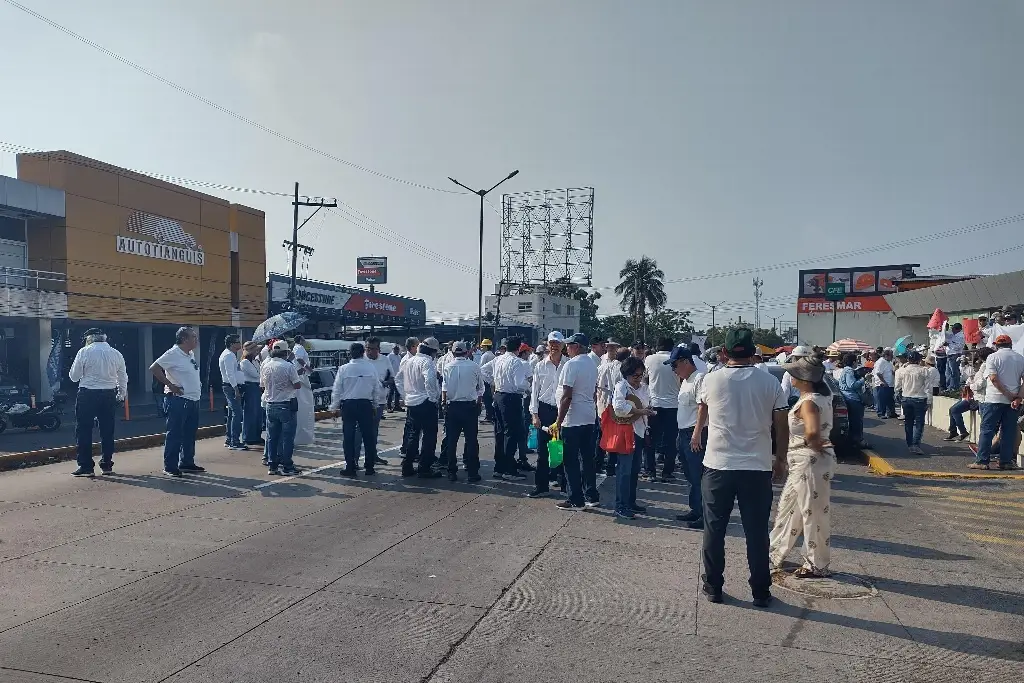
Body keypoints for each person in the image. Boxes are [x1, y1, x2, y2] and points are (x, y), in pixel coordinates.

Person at [692, 328, 789, 608]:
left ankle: (713, 586)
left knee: (714, 529)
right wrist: (780, 459)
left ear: (723, 353)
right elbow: (780, 426)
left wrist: (697, 433)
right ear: (754, 353)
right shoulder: (769, 383)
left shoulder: (711, 380)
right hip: (756, 467)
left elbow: (703, 409)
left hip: (717, 465)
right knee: (756, 532)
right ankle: (760, 591)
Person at [769, 356, 835, 578]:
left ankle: (816, 564)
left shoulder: (809, 402)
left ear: (803, 378)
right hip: (806, 462)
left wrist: (812, 441)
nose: (790, 376)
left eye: (793, 373)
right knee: (791, 508)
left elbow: (813, 431)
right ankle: (777, 551)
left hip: (809, 461)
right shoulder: (820, 397)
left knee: (812, 513)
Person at [68, 328, 128, 477]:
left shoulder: (84, 352)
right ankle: (107, 464)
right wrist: (121, 395)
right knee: (107, 431)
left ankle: (86, 466)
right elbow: (123, 377)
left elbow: (74, 377)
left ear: (89, 338)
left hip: (87, 393)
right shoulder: (116, 353)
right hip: (109, 393)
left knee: (83, 430)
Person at [554, 333, 600, 510]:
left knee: (570, 460)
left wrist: (558, 421)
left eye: (570, 345)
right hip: (588, 416)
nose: (567, 348)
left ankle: (575, 499)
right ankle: (591, 494)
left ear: (578, 346)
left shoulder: (572, 365)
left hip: (572, 418)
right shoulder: (591, 363)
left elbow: (567, 396)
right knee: (587, 458)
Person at [151, 327, 205, 477]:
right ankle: (170, 466)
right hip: (178, 400)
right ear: (184, 339)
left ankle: (187, 462)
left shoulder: (190, 354)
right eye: (193, 337)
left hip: (193, 399)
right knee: (175, 434)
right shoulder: (173, 353)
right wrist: (170, 385)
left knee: (189, 434)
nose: (196, 340)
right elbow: (154, 368)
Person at [330, 342, 384, 476]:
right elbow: (377, 389)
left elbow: (337, 390)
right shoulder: (370, 368)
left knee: (348, 437)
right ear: (363, 353)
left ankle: (350, 466)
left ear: (350, 354)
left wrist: (334, 407)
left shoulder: (343, 369)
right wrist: (375, 405)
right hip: (366, 405)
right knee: (368, 437)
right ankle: (369, 467)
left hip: (348, 405)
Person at [972, 334, 1024, 470]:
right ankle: (1005, 461)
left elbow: (994, 379)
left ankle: (982, 461)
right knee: (1008, 431)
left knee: (987, 430)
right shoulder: (1020, 358)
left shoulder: (992, 357)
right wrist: (1017, 397)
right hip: (1013, 401)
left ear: (996, 345)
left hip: (994, 399)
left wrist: (1007, 394)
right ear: (1010, 345)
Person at [611, 356, 654, 519]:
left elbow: (647, 403)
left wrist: (646, 410)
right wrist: (639, 411)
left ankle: (631, 502)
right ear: (627, 375)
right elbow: (619, 408)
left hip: (641, 431)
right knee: (624, 470)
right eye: (635, 375)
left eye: (640, 375)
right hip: (626, 433)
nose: (638, 378)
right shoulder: (622, 386)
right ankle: (621, 505)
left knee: (635, 470)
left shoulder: (643, 388)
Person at [668, 346, 705, 529]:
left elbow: (702, 407)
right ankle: (695, 509)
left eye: (675, 365)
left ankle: (704, 514)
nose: (673, 370)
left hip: (694, 433)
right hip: (683, 432)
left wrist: (697, 434)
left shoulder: (699, 378)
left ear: (685, 362)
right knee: (690, 474)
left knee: (699, 475)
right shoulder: (686, 380)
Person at [528, 331, 567, 498]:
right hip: (544, 410)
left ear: (563, 345)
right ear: (547, 345)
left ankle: (565, 485)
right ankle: (541, 486)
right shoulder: (540, 365)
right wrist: (534, 414)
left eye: (557, 343)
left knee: (562, 448)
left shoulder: (568, 364)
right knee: (543, 452)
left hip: (562, 410)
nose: (554, 346)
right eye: (551, 343)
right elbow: (534, 391)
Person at [400, 336, 443, 478]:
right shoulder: (427, 361)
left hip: (412, 402)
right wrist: (433, 398)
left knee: (413, 435)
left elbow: (398, 379)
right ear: (432, 351)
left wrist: (405, 395)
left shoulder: (409, 361)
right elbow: (430, 380)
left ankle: (407, 465)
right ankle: (424, 467)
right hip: (425, 402)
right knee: (429, 437)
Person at [441, 341, 485, 482]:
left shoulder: (447, 367)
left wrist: (444, 404)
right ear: (467, 352)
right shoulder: (474, 366)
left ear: (453, 353)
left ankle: (451, 471)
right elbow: (481, 388)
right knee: (471, 441)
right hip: (469, 407)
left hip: (453, 406)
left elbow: (444, 388)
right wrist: (479, 404)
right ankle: (472, 472)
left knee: (452, 441)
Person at [491, 336, 531, 481]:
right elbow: (519, 384)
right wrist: (529, 384)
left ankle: (499, 467)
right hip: (511, 398)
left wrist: (495, 382)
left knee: (500, 433)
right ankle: (509, 469)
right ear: (518, 348)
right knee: (511, 433)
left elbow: (484, 371)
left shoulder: (498, 359)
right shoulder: (516, 362)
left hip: (498, 395)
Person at [260, 339, 303, 476]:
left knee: (272, 437)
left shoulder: (265, 365)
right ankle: (287, 466)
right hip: (286, 404)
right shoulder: (288, 366)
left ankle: (272, 466)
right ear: (285, 352)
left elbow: (262, 386)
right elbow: (297, 385)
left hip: (270, 405)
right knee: (287, 437)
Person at [643, 337, 680, 482]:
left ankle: (650, 471)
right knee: (671, 441)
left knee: (650, 439)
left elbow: (645, 379)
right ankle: (667, 472)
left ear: (657, 346)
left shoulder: (650, 359)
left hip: (654, 404)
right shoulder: (676, 359)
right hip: (673, 405)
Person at [894, 351, 938, 455]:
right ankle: (915, 444)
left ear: (908, 360)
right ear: (919, 360)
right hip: (919, 398)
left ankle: (910, 444)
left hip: (906, 398)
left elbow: (897, 387)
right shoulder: (924, 371)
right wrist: (929, 401)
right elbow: (928, 388)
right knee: (919, 423)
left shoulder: (901, 371)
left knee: (908, 422)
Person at [946, 348, 992, 442]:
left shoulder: (985, 367)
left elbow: (980, 384)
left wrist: (970, 385)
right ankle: (955, 431)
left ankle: (962, 432)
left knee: (954, 410)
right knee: (952, 410)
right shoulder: (981, 367)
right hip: (974, 396)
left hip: (978, 398)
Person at [364, 337, 392, 466]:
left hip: (379, 401)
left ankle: (373, 455)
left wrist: (387, 382)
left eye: (373, 349)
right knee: (361, 431)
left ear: (379, 349)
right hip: (364, 401)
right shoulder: (361, 360)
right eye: (368, 348)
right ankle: (354, 460)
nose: (370, 351)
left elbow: (392, 377)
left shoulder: (385, 360)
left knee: (374, 430)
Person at [218, 334, 247, 452]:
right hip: (231, 387)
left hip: (230, 386)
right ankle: (234, 441)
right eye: (237, 342)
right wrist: (236, 389)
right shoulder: (229, 355)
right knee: (237, 413)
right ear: (231, 344)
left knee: (231, 413)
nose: (239, 344)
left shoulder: (230, 355)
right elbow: (230, 374)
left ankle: (229, 439)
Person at [837, 352, 869, 448]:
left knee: (852, 421)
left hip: (847, 397)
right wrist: (864, 379)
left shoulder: (845, 370)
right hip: (853, 398)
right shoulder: (849, 371)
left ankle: (853, 440)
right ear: (854, 362)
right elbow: (852, 385)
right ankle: (858, 440)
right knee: (857, 421)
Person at [395, 336, 419, 454]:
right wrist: (405, 396)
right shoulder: (406, 360)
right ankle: (406, 449)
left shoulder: (415, 358)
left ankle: (410, 449)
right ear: (413, 347)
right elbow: (399, 380)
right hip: (411, 397)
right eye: (418, 345)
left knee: (413, 426)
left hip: (415, 397)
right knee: (411, 426)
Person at [291, 336, 316, 446]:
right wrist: (307, 368)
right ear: (300, 340)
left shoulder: (297, 347)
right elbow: (299, 359)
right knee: (304, 402)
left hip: (301, 375)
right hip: (301, 377)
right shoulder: (299, 347)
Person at [239, 342, 264, 445]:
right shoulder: (245, 362)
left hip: (257, 387)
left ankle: (256, 435)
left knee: (258, 413)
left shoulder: (255, 361)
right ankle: (248, 436)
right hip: (250, 387)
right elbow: (256, 374)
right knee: (251, 412)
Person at [872, 348, 897, 419]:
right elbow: (878, 373)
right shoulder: (881, 362)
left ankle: (891, 413)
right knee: (881, 400)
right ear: (886, 355)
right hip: (883, 384)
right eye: (891, 356)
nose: (892, 357)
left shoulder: (889, 362)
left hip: (890, 384)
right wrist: (884, 382)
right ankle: (881, 413)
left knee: (890, 400)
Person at [479, 338, 496, 422]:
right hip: (491, 379)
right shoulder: (492, 355)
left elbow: (480, 368)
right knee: (490, 398)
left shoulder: (485, 355)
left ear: (486, 347)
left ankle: (488, 416)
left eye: (482, 347)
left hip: (485, 380)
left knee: (486, 399)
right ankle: (491, 415)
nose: (481, 348)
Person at [387, 343, 403, 411]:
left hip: (398, 377)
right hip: (391, 377)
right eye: (395, 349)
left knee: (397, 392)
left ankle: (397, 406)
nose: (397, 350)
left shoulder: (399, 356)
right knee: (390, 392)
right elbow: (387, 367)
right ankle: (389, 406)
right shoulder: (390, 356)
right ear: (392, 349)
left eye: (397, 349)